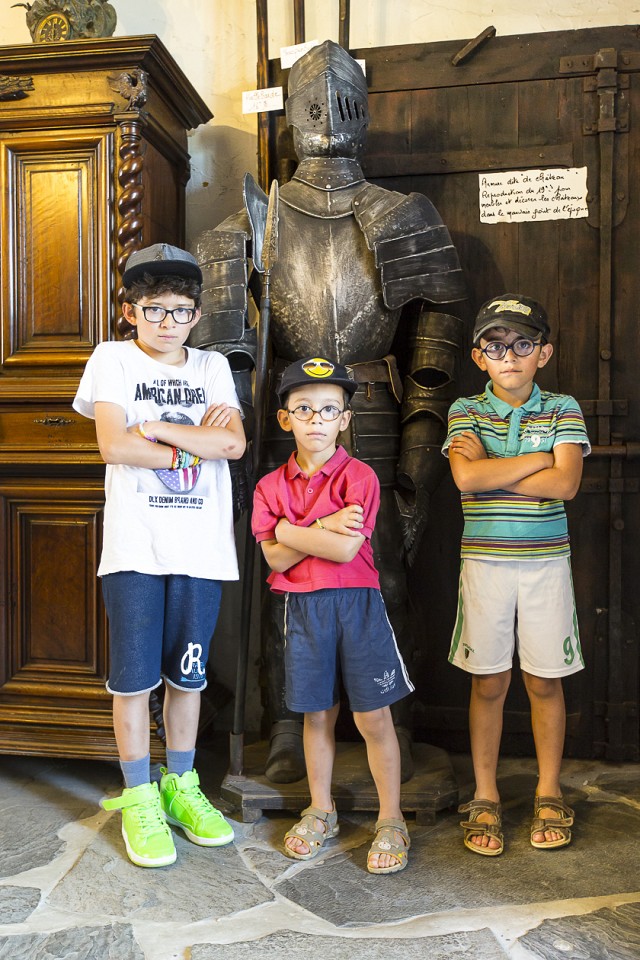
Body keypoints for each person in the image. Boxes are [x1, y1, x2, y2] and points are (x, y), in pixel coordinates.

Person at [191, 38, 466, 784]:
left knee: (385, 576)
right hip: (289, 419)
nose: (329, 109)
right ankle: (287, 722)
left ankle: (395, 720)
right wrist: (248, 451)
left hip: (373, 410)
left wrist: (414, 471)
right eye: (316, 99)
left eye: (344, 99)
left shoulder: (403, 215)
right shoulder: (252, 221)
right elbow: (229, 360)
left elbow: (433, 362)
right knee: (288, 571)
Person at [73, 243, 246, 868]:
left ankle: (181, 784)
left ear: (196, 316)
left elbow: (232, 442)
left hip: (199, 549)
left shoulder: (213, 367)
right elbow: (114, 447)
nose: (167, 323)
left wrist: (161, 431)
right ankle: (140, 794)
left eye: (180, 311)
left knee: (187, 675)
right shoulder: (111, 359)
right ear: (130, 310)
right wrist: (191, 445)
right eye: (154, 310)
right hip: (135, 547)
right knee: (134, 679)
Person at [252, 356, 414, 873]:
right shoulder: (268, 487)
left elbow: (344, 552)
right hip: (302, 608)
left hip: (357, 604)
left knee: (372, 716)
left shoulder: (359, 476)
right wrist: (321, 522)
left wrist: (289, 531)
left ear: (345, 418)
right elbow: (274, 557)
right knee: (316, 714)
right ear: (286, 419)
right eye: (304, 409)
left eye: (329, 409)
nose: (316, 419)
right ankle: (321, 809)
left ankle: (392, 818)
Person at [443, 294, 590, 856]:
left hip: (546, 565)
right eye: (495, 347)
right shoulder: (464, 410)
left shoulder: (563, 408)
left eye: (522, 345)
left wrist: (493, 471)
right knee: (489, 682)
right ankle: (485, 794)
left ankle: (548, 790)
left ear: (543, 353)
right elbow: (463, 480)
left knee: (545, 681)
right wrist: (538, 460)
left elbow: (566, 485)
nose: (509, 357)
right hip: (484, 565)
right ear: (480, 357)